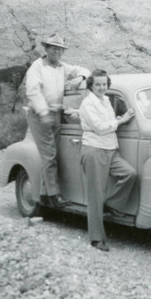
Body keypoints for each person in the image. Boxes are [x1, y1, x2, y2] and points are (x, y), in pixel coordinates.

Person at [25, 33, 91, 208]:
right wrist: (44, 112)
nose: (57, 52)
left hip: (56, 113)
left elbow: (84, 70)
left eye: (60, 50)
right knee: (50, 155)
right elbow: (32, 91)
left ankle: (45, 194)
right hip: (41, 114)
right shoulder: (37, 66)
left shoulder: (62, 67)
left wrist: (81, 78)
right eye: (53, 48)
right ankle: (54, 195)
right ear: (46, 49)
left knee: (52, 154)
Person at [79, 69, 137, 252]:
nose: (102, 87)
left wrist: (119, 119)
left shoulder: (105, 101)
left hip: (111, 149)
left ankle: (111, 204)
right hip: (94, 150)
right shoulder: (87, 103)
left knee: (129, 174)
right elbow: (100, 127)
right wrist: (121, 121)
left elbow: (108, 123)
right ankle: (97, 239)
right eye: (98, 84)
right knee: (95, 194)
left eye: (104, 84)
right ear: (91, 85)